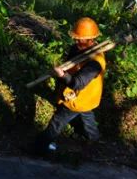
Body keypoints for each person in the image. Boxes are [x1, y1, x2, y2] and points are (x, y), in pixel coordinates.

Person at [35, 17, 105, 154]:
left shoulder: (95, 62)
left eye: (80, 39)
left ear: (91, 39)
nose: (76, 41)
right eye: (76, 38)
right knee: (86, 114)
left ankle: (40, 147)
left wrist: (62, 75)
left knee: (57, 121)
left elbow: (77, 83)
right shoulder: (78, 48)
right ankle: (94, 138)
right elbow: (70, 65)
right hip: (86, 98)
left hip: (79, 96)